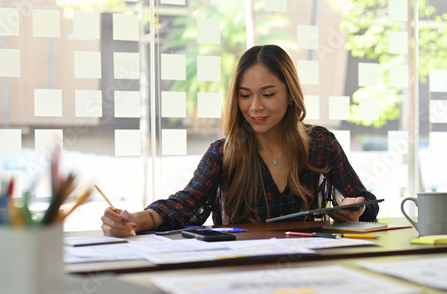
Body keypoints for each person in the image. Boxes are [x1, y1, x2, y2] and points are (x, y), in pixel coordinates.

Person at [101, 45, 379, 236]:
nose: (255, 107)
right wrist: (139, 219)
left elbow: (367, 202)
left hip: (309, 269)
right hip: (242, 271)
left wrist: (353, 208)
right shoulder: (223, 152)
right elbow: (188, 203)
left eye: (268, 94)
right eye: (245, 95)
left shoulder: (321, 143)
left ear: (291, 93)